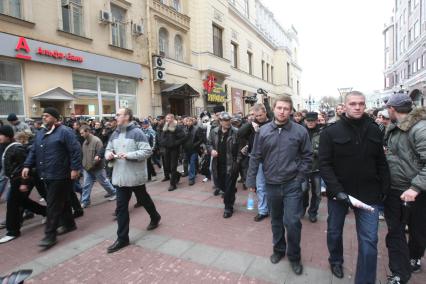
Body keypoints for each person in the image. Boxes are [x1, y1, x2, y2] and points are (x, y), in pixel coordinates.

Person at [319, 91, 390, 284]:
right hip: (339, 194)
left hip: (369, 194)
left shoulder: (374, 130)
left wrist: (385, 187)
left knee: (369, 242)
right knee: (334, 232)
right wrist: (336, 190)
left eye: (361, 103)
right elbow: (324, 164)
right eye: (353, 104)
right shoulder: (330, 132)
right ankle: (335, 260)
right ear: (345, 105)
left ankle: (365, 281)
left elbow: (381, 162)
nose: (357, 107)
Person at [246, 95, 312, 276]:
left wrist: (299, 178)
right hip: (271, 185)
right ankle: (278, 249)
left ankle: (294, 256)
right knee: (276, 221)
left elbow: (307, 157)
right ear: (273, 109)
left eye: (286, 108)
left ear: (290, 111)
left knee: (292, 222)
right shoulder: (263, 131)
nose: (282, 111)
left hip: (292, 184)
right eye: (279, 108)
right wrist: (251, 180)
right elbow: (255, 156)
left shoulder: (300, 131)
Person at [22, 107, 82, 249]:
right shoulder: (41, 133)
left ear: (55, 118)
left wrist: (75, 168)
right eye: (43, 116)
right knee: (64, 200)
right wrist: (27, 165)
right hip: (46, 174)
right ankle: (69, 224)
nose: (44, 118)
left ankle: (50, 235)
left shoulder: (65, 132)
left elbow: (75, 150)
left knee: (53, 204)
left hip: (60, 174)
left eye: (47, 116)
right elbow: (33, 151)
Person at [105, 108, 161, 254]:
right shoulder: (115, 133)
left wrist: (129, 155)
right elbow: (107, 149)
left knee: (143, 198)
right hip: (120, 177)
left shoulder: (137, 132)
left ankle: (155, 216)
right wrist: (109, 154)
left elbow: (147, 151)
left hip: (135, 176)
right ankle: (123, 238)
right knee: (121, 207)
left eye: (119, 114)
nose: (116, 116)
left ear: (127, 117)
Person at [384, 93, 426, 284]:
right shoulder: (393, 128)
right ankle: (400, 273)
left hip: (416, 192)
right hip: (394, 190)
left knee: (417, 231)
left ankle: (414, 258)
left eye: (388, 109)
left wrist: (416, 188)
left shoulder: (420, 128)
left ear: (392, 109)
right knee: (395, 232)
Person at [0, 126, 46, 244]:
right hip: (14, 179)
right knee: (24, 202)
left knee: (12, 205)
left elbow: (26, 166)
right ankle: (49, 212)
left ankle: (12, 231)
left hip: (19, 180)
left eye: (1, 135)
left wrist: (24, 183)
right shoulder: (6, 147)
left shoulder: (17, 148)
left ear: (7, 136)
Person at [239, 101, 273, 222]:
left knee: (273, 186)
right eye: (256, 115)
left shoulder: (272, 123)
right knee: (260, 186)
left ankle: (273, 208)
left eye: (260, 115)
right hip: (258, 161)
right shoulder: (252, 124)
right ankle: (263, 210)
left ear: (265, 113)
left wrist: (260, 130)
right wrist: (250, 123)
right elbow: (240, 133)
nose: (258, 118)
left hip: (272, 160)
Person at [207, 112, 240, 218]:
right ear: (220, 121)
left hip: (231, 164)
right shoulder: (214, 131)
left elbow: (240, 149)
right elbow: (208, 144)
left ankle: (228, 208)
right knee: (220, 185)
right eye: (225, 121)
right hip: (218, 163)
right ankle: (230, 195)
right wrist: (211, 150)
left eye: (229, 120)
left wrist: (237, 162)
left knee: (229, 186)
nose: (228, 122)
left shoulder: (236, 132)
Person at [79, 125, 116, 208]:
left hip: (97, 168)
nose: (81, 135)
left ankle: (114, 193)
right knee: (86, 185)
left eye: (82, 133)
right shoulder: (85, 142)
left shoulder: (97, 141)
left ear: (87, 131)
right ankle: (85, 201)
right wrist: (84, 165)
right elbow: (84, 155)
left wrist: (93, 164)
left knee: (104, 182)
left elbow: (100, 155)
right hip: (87, 168)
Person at [302, 112, 322, 223]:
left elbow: (325, 150)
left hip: (317, 168)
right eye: (308, 121)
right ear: (305, 121)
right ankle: (302, 207)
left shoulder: (322, 133)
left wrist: (313, 152)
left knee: (317, 193)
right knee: (302, 190)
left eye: (312, 121)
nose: (310, 123)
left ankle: (313, 212)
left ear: (316, 121)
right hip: (303, 167)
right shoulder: (301, 131)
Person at [158, 114, 186, 191]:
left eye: (169, 118)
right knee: (167, 167)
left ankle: (172, 184)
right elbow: (161, 136)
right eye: (166, 118)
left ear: (173, 119)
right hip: (166, 149)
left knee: (173, 167)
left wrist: (175, 143)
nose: (167, 119)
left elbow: (183, 137)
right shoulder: (164, 127)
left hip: (175, 149)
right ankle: (178, 175)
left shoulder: (177, 127)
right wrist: (162, 142)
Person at [183, 117, 205, 186]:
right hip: (186, 149)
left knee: (192, 163)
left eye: (190, 121)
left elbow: (201, 139)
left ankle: (191, 178)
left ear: (192, 122)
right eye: (187, 121)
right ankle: (194, 172)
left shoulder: (197, 129)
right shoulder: (184, 129)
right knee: (190, 162)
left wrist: (195, 145)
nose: (188, 122)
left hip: (194, 149)